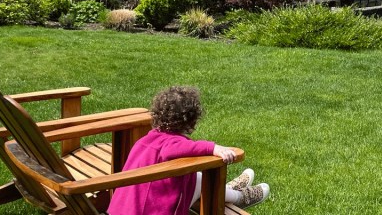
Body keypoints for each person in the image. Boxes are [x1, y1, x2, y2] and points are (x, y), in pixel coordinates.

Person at [108, 86, 269, 215]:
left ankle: (228, 191)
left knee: (196, 178)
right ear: (191, 120)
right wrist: (212, 147)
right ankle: (238, 197)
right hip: (150, 211)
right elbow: (173, 148)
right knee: (198, 178)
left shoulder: (144, 141)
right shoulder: (170, 143)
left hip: (119, 210)